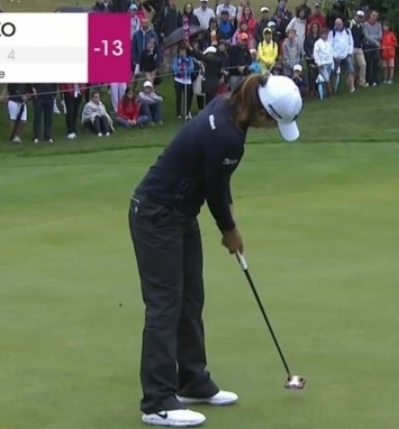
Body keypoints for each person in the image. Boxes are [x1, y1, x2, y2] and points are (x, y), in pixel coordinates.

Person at [128, 73, 303, 428]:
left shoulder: (229, 106)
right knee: (164, 306)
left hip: (180, 214)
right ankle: (158, 402)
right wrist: (230, 230)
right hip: (156, 215)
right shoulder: (228, 136)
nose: (272, 129)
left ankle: (192, 381)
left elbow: (218, 183)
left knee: (191, 299)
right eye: (275, 123)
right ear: (263, 113)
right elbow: (214, 193)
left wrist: (231, 223)